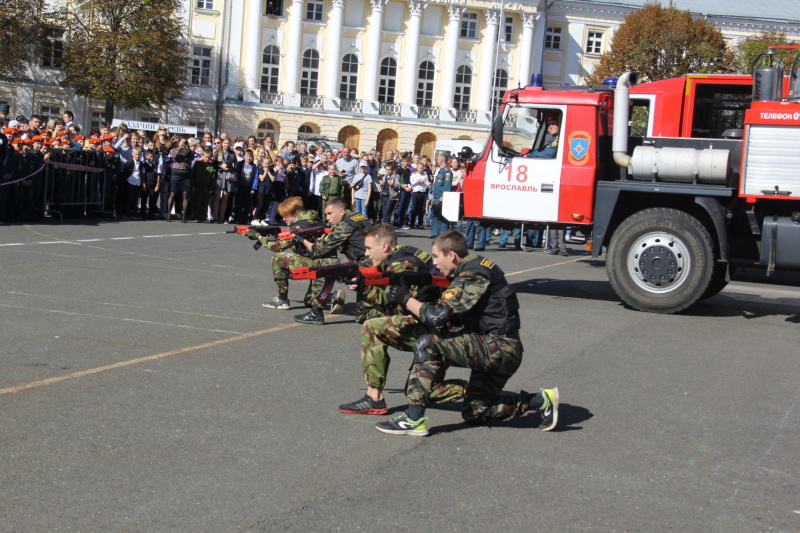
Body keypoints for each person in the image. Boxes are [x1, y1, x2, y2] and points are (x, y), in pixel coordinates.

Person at [373, 230, 559, 436]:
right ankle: (541, 400)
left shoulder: (473, 273)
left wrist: (405, 298)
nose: (433, 262)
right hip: (494, 347)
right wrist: (430, 295)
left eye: (436, 256)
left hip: (500, 348)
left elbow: (436, 317)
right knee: (475, 413)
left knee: (428, 344)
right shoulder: (474, 266)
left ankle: (413, 419)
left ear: (451, 255)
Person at [339, 224, 467, 415]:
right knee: (416, 392)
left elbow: (396, 307)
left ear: (384, 247)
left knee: (372, 327)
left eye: (368, 248)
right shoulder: (403, 255)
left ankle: (373, 398)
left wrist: (364, 289)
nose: (366, 254)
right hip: (435, 325)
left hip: (440, 330)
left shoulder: (402, 264)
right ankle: (476, 391)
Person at [293, 197, 373, 325]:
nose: (327, 218)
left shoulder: (345, 224)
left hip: (363, 264)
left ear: (341, 211)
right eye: (326, 215)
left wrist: (303, 240)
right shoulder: (358, 217)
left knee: (321, 266)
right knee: (362, 317)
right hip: (370, 261)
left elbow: (319, 251)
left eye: (330, 214)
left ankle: (316, 312)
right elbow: (353, 241)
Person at [246, 196, 334, 310]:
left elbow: (277, 247)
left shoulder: (298, 227)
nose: (283, 219)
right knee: (311, 301)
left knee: (278, 258)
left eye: (285, 215)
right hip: (330, 265)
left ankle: (282, 299)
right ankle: (332, 297)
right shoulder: (319, 222)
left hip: (317, 264)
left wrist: (258, 237)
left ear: (295, 212)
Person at [429, 154, 452, 237]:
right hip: (436, 195)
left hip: (441, 196)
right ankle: (435, 233)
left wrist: (444, 196)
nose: (437, 161)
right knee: (435, 214)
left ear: (441, 160)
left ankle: (442, 233)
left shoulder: (447, 171)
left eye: (437, 159)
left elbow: (447, 185)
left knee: (442, 215)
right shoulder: (441, 170)